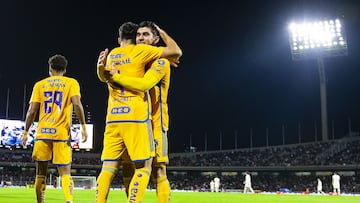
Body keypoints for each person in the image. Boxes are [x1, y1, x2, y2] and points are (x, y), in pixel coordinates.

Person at [96, 21, 182, 203]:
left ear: (156, 39)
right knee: (128, 167)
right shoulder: (140, 58)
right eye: (139, 35)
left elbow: (143, 85)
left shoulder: (160, 61)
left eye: (146, 35)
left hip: (155, 123)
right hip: (136, 120)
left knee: (158, 169)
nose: (141, 38)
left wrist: (111, 75)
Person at [20, 54, 88, 203]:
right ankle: (69, 200)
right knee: (65, 173)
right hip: (61, 134)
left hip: (43, 133)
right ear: (65, 69)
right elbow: (77, 105)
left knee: (40, 173)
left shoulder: (40, 85)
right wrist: (83, 126)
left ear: (50, 68)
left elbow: (31, 111)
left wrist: (25, 132)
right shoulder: (71, 83)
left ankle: (40, 201)